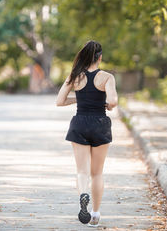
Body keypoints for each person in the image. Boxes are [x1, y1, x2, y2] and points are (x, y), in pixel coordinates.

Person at [56, 40, 118, 227]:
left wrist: (81, 99)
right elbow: (113, 101)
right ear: (100, 57)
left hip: (80, 123)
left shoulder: (75, 76)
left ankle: (84, 194)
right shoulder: (107, 77)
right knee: (97, 173)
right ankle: (95, 215)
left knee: (82, 171)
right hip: (99, 123)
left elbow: (59, 101)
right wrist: (107, 104)